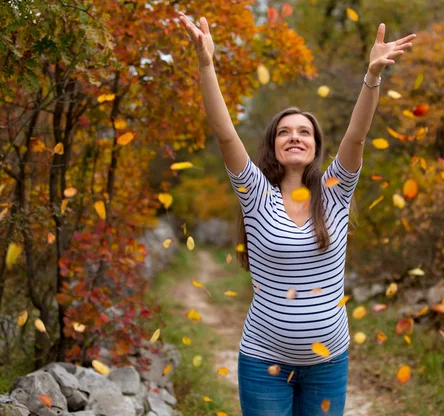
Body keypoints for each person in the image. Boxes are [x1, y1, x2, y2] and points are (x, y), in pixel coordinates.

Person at [177, 11, 415, 416]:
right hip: (263, 362)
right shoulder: (255, 195)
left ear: (315, 145)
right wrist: (206, 64)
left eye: (304, 131)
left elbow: (356, 135)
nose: (295, 137)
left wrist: (372, 76)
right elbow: (225, 132)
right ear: (273, 145)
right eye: (285, 131)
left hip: (328, 362)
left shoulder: (335, 194)